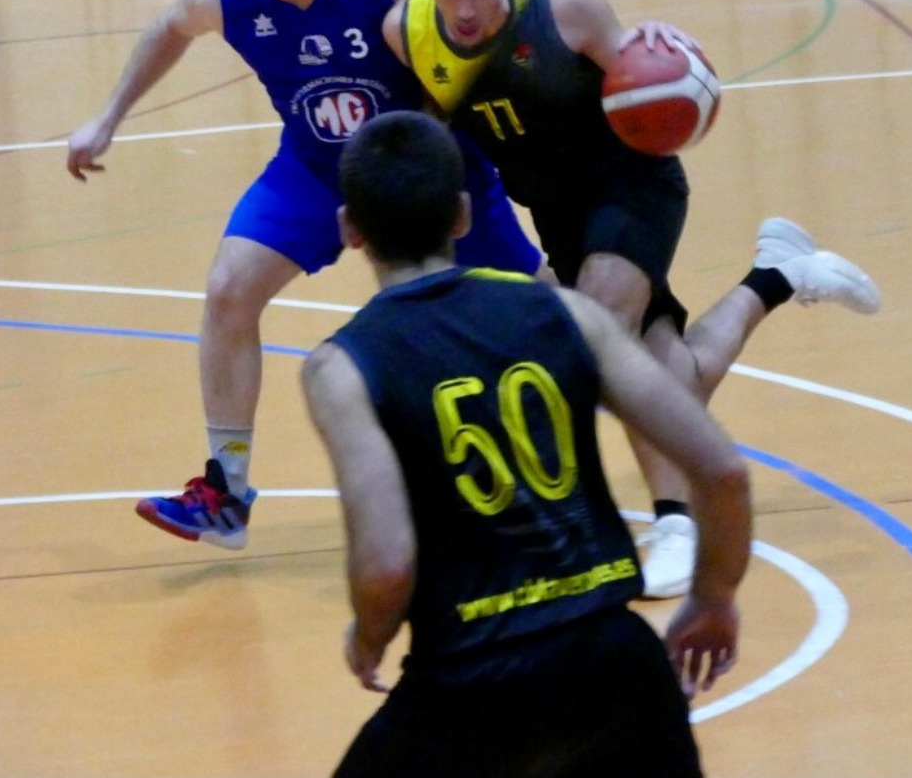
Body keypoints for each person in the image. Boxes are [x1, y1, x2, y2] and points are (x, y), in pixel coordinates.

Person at [66, 0, 598, 548]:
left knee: (542, 304)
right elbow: (169, 29)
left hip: (423, 162)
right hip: (318, 168)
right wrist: (107, 117)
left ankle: (616, 404)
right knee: (229, 290)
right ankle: (226, 494)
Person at [381, 0, 881, 598]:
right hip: (556, 213)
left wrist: (659, 49)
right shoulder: (407, 32)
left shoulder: (565, 9)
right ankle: (777, 274)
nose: (464, 10)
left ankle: (675, 523)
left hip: (632, 186)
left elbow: (644, 73)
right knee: (665, 382)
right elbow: (435, 124)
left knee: (600, 336)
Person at [302, 110, 752, 778]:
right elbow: (721, 471)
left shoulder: (342, 367)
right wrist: (713, 596)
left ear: (349, 229)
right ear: (462, 215)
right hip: (613, 662)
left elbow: (386, 564)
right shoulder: (568, 313)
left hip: (468, 680)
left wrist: (369, 636)